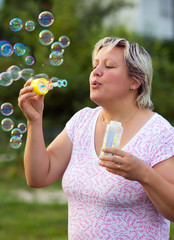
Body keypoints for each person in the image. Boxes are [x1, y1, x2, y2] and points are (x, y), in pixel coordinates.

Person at [18, 37, 174, 240]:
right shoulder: (82, 120)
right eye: (95, 65)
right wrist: (34, 121)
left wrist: (143, 174)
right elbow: (38, 176)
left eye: (109, 66)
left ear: (135, 81)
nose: (96, 72)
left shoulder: (158, 132)